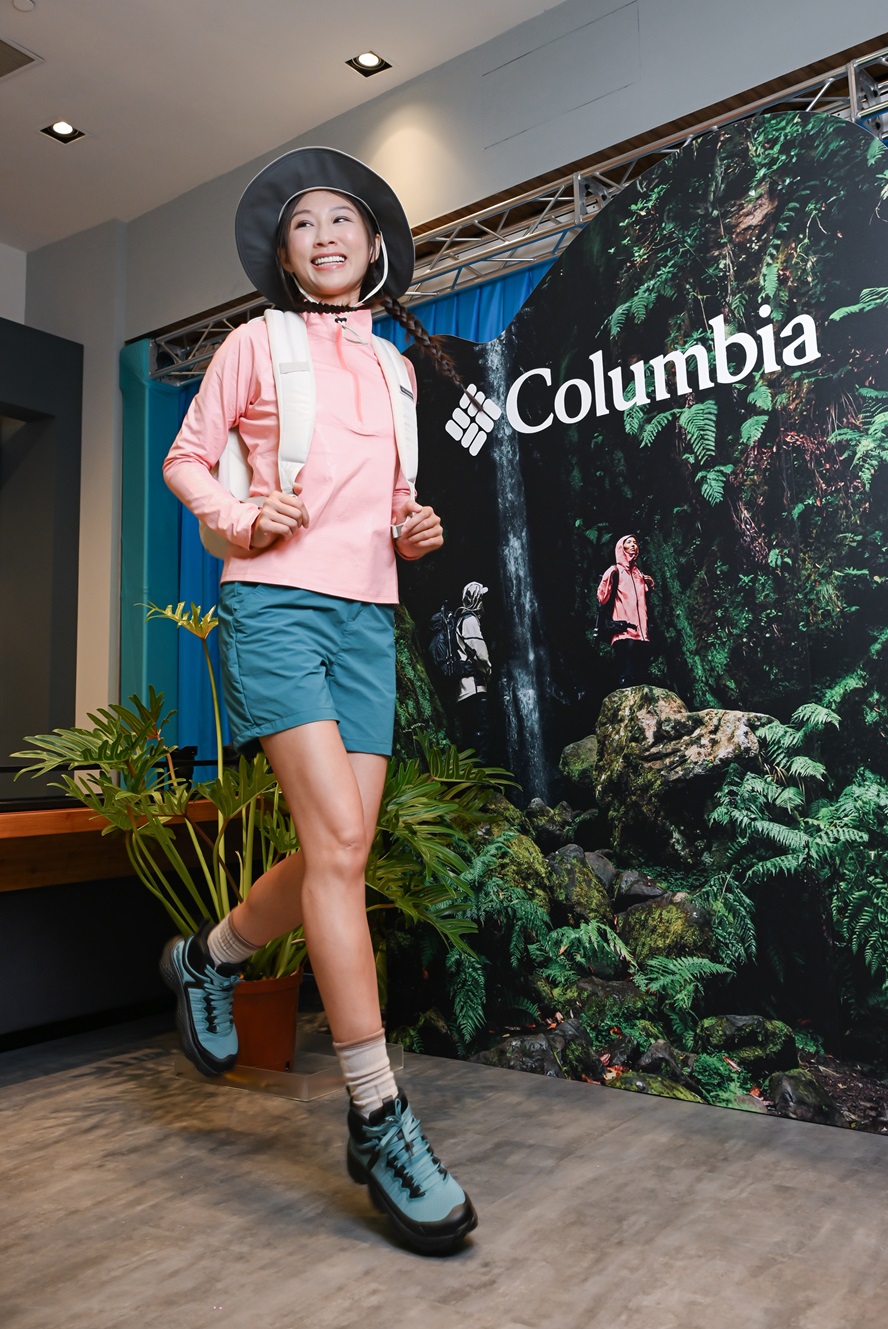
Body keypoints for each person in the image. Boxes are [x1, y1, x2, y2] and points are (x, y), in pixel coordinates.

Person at [159, 146, 476, 1254]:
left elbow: (391, 507)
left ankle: (210, 956)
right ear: (286, 257)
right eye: (306, 225)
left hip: (366, 620)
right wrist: (241, 518)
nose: (327, 236)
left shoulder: (395, 368)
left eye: (345, 220)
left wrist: (413, 528)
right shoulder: (257, 344)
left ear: (374, 245)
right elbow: (189, 460)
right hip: (276, 610)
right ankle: (379, 1116)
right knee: (338, 844)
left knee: (343, 849)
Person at [596, 534, 654, 687]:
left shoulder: (639, 575)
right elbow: (602, 598)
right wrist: (608, 578)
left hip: (642, 634)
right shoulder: (615, 571)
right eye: (629, 542)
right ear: (621, 548)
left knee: (642, 677)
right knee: (627, 676)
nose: (633, 545)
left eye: (635, 542)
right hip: (624, 631)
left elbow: (642, 601)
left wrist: (649, 585)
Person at [454, 581, 491, 758]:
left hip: (464, 689)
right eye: (481, 598)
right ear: (477, 599)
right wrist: (488, 672)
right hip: (473, 688)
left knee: (472, 733)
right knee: (481, 732)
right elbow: (480, 655)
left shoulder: (461, 619)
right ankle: (479, 768)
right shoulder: (470, 621)